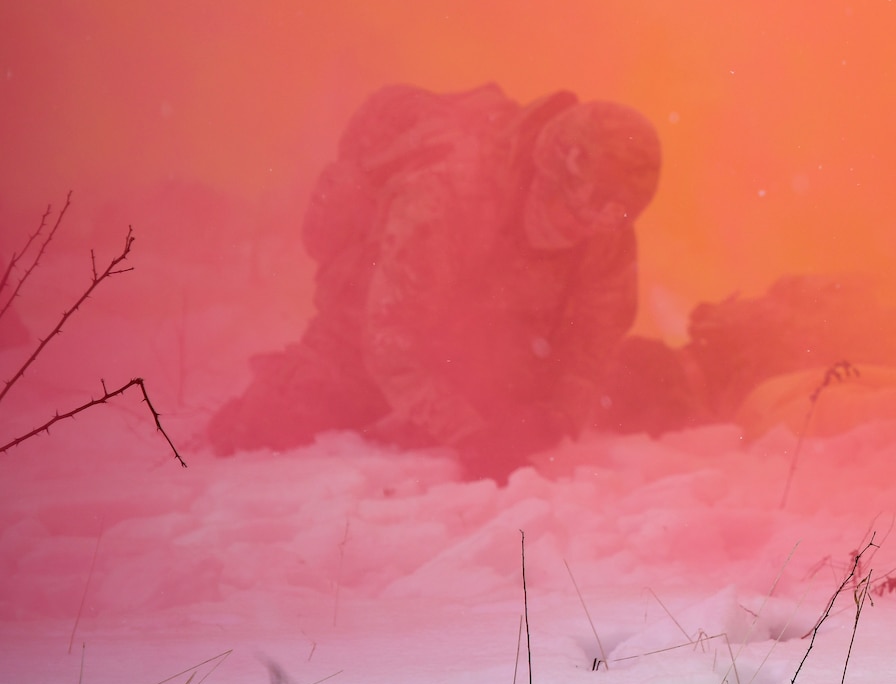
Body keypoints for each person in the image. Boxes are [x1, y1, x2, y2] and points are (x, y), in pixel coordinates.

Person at [207, 84, 690, 480]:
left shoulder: (603, 228)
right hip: (374, 320)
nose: (575, 233)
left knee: (636, 389)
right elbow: (390, 342)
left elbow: (593, 343)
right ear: (544, 174)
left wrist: (555, 417)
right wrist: (470, 435)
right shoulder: (446, 194)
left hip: (489, 328)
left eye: (594, 224)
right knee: (291, 418)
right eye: (568, 213)